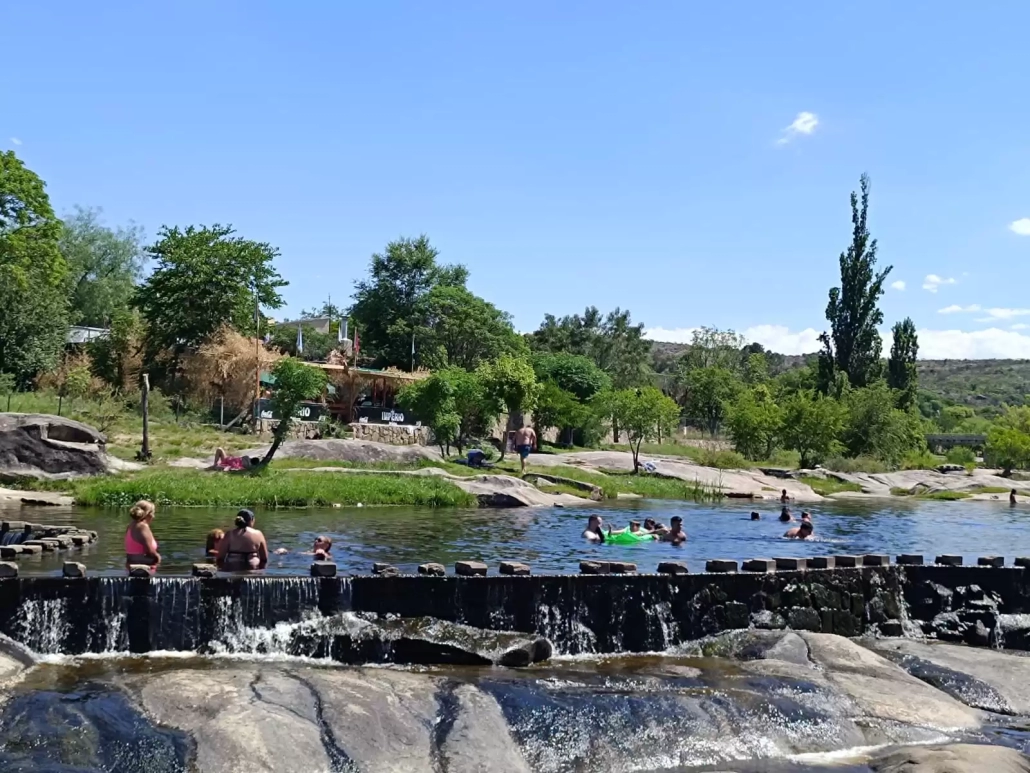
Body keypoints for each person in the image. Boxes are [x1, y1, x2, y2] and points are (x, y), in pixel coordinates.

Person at [125, 500, 161, 573]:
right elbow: (150, 551)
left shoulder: (130, 525)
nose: (153, 516)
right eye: (153, 513)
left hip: (131, 565)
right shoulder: (143, 527)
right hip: (144, 568)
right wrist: (158, 558)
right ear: (148, 514)